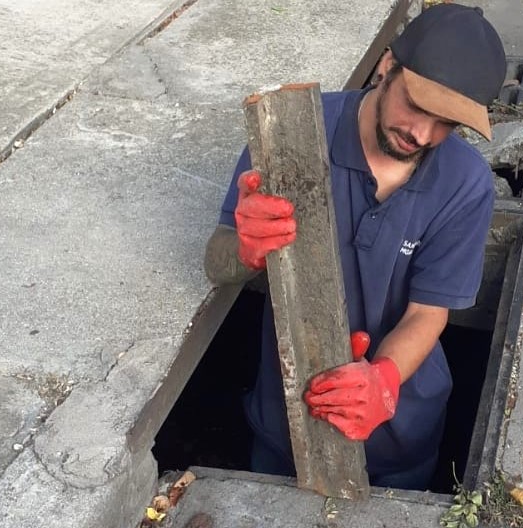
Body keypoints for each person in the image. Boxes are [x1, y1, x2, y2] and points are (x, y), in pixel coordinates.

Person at [204, 3, 507, 490]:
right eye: (417, 105)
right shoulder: (291, 136)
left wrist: (383, 379)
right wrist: (245, 247)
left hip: (400, 435)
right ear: (387, 66)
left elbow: (428, 312)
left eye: (447, 123)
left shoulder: (465, 183)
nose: (422, 134)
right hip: (288, 426)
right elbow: (216, 264)